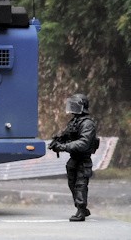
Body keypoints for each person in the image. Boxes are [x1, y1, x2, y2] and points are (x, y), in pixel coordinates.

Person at [49, 93, 99, 222]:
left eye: (74, 105)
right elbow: (67, 134)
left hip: (83, 159)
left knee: (80, 185)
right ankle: (81, 207)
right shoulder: (75, 121)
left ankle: (81, 210)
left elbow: (83, 143)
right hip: (74, 159)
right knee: (72, 184)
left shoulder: (88, 123)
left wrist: (63, 147)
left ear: (81, 106)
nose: (71, 107)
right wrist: (57, 141)